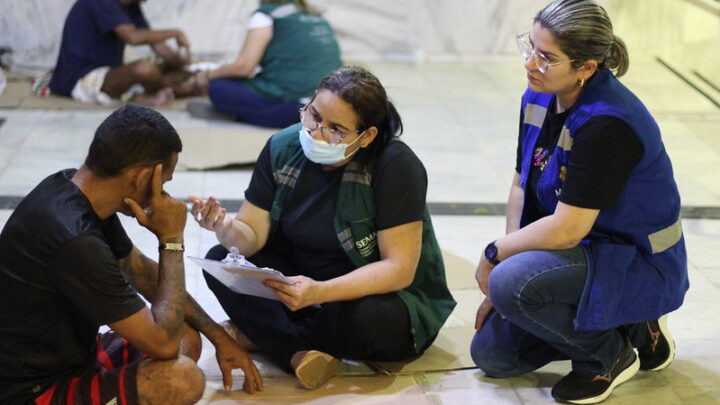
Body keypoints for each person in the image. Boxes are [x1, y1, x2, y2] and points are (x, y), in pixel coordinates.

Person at [469, 1, 688, 403]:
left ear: (586, 67)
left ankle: (610, 355)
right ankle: (632, 325)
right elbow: (521, 183)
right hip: (582, 250)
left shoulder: (608, 122)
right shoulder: (538, 94)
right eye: (530, 47)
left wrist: (496, 256)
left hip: (633, 259)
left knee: (510, 283)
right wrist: (510, 260)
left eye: (546, 57)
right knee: (494, 356)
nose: (530, 64)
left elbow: (568, 230)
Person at [189, 66, 456, 389]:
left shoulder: (394, 165)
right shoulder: (283, 147)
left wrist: (320, 292)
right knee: (222, 260)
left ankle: (266, 336)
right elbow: (250, 236)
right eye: (313, 116)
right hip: (303, 285)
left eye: (335, 129)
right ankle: (297, 352)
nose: (316, 133)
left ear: (367, 135)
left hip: (366, 292)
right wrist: (224, 226)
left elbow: (398, 270)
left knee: (372, 322)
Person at [0, 106, 262, 405]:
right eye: (163, 183)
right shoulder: (73, 239)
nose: (163, 194)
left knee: (185, 337)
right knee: (181, 380)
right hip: (29, 390)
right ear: (140, 178)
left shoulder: (73, 190)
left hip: (74, 359)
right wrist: (172, 240)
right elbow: (162, 344)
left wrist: (220, 337)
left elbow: (140, 271)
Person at [190, 0, 342, 128]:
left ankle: (246, 116)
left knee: (218, 87)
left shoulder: (267, 15)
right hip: (327, 107)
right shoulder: (317, 17)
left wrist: (207, 75)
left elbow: (244, 67)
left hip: (294, 110)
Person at [48, 0, 201, 107]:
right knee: (144, 69)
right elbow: (133, 37)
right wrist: (176, 32)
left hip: (108, 72)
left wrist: (179, 60)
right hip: (80, 78)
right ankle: (173, 91)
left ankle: (160, 90)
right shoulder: (101, 2)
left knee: (167, 68)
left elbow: (153, 41)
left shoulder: (132, 6)